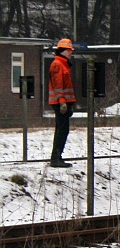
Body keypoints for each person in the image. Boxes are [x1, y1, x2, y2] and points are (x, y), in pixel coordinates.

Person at [48, 38, 77, 168]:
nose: (71, 53)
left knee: (62, 129)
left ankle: (57, 157)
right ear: (63, 50)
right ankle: (56, 158)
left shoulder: (63, 64)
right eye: (69, 50)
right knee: (62, 130)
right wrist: (62, 102)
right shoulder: (58, 65)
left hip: (64, 102)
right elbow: (58, 85)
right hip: (61, 103)